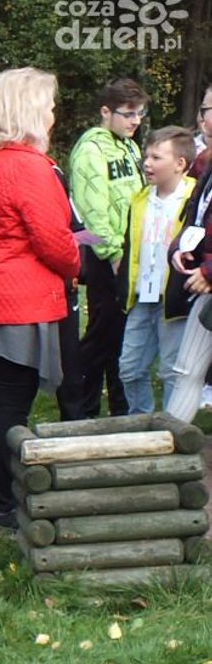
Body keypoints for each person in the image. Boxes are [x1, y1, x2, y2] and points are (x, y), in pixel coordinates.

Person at [0, 68, 79, 533]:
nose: (53, 115)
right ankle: (2, 503)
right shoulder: (30, 167)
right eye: (49, 106)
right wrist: (76, 263)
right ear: (30, 111)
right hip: (18, 301)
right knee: (10, 404)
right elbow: (54, 241)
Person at [70, 78, 149, 418]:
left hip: (131, 253)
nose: (135, 121)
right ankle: (79, 408)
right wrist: (113, 253)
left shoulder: (130, 147)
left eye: (140, 114)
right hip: (106, 257)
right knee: (102, 334)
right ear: (106, 111)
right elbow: (92, 212)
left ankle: (120, 408)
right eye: (128, 114)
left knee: (121, 336)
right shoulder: (91, 150)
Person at [116, 127, 197, 414]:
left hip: (174, 299)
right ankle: (141, 419)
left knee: (171, 370)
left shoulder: (194, 199)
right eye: (146, 156)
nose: (147, 163)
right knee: (129, 368)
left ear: (180, 164)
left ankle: (173, 426)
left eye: (156, 157)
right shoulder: (140, 199)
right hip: (142, 296)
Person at [161, 141, 212, 421]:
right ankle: (169, 442)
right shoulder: (206, 164)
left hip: (207, 278)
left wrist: (209, 272)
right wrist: (179, 248)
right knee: (187, 369)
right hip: (205, 289)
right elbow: (194, 220)